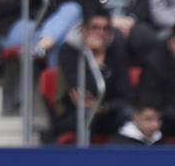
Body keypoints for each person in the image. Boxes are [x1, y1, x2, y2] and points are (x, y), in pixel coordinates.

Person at [52, 7, 134, 141]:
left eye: (105, 29)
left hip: (108, 111)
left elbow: (125, 94)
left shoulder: (116, 49)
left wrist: (105, 107)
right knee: (86, 114)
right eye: (95, 28)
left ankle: (121, 159)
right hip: (73, 112)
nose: (100, 33)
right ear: (83, 30)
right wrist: (95, 57)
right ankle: (84, 160)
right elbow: (84, 91)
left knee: (129, 114)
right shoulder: (68, 51)